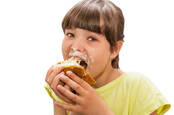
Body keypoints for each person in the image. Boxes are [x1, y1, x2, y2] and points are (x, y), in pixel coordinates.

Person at [45, 0, 171, 115]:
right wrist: (60, 96)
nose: (76, 47)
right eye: (70, 34)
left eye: (91, 38)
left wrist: (101, 111)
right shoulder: (65, 86)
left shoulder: (137, 87)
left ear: (115, 49)